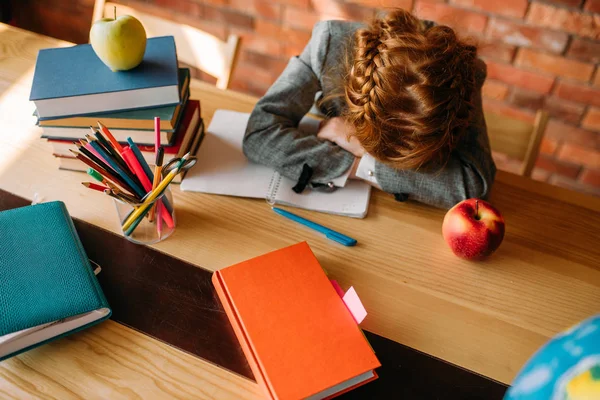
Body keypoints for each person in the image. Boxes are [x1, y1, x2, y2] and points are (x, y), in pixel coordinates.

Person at [243, 9, 495, 209]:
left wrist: (361, 159)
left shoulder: (464, 76)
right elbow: (260, 134)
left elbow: (473, 185)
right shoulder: (328, 43)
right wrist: (357, 160)